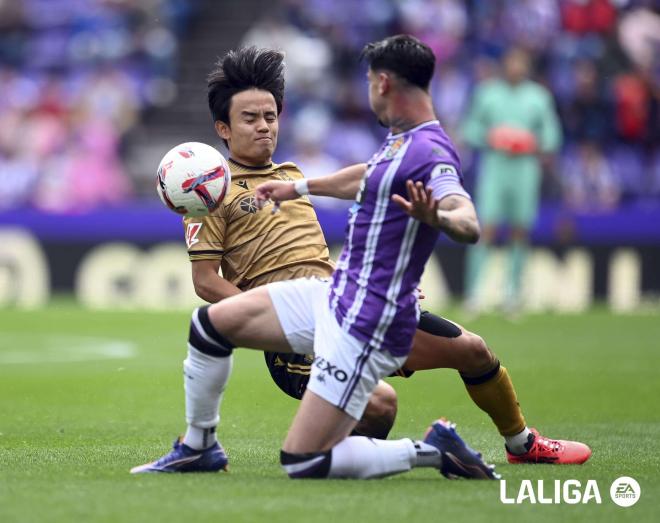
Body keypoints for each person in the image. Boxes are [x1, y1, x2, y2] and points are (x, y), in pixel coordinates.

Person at [131, 41, 590, 475]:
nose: (264, 126)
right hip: (297, 331)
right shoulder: (211, 189)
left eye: (271, 116)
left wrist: (381, 276)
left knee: (472, 350)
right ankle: (399, 450)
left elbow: (362, 196)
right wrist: (270, 326)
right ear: (223, 129)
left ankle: (521, 444)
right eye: (250, 118)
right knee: (380, 404)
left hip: (347, 301)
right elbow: (207, 283)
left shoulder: (291, 174)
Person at [461, 47, 562, 315]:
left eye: (521, 63)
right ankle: (474, 294)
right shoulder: (487, 93)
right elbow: (469, 128)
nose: (516, 67)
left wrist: (531, 141)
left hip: (525, 170)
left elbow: (552, 136)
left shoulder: (539, 97)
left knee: (520, 230)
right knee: (486, 229)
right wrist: (492, 136)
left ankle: (512, 294)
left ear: (526, 66)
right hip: (495, 167)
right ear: (505, 65)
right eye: (512, 62)